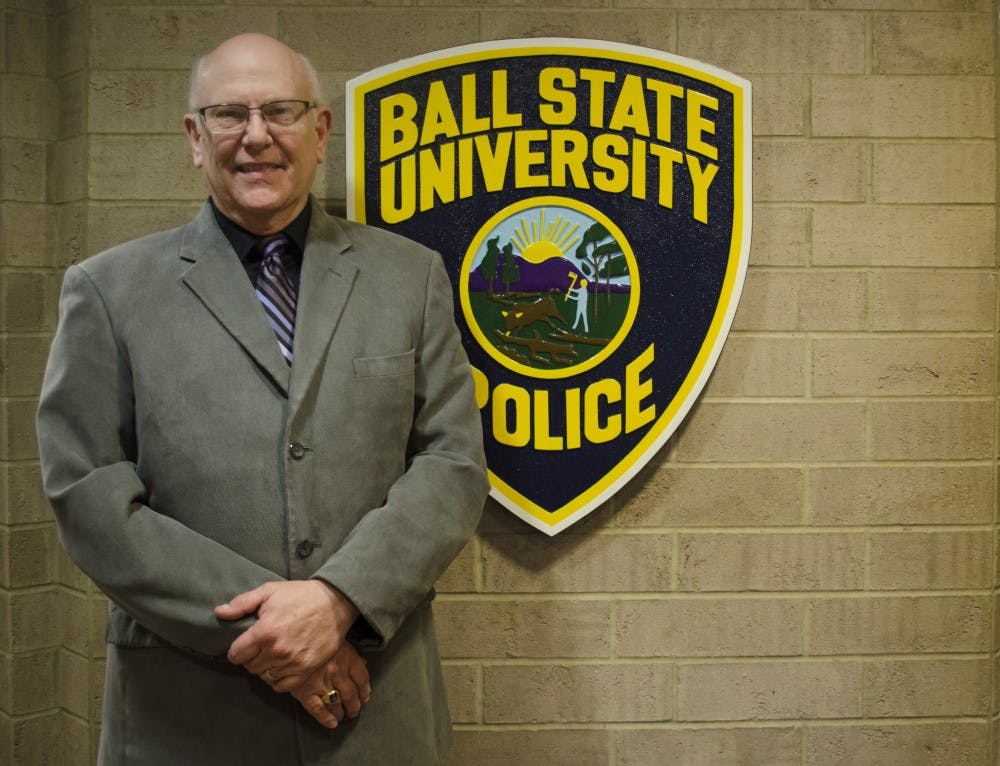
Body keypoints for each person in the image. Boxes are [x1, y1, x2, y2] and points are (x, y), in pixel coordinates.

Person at [35, 33, 489, 765]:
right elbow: (86, 491)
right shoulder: (108, 291)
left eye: (280, 110)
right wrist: (281, 632)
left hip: (373, 706)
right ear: (194, 135)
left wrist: (338, 601)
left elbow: (452, 463)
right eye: (228, 114)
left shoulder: (410, 278)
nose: (255, 137)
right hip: (184, 716)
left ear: (320, 131)